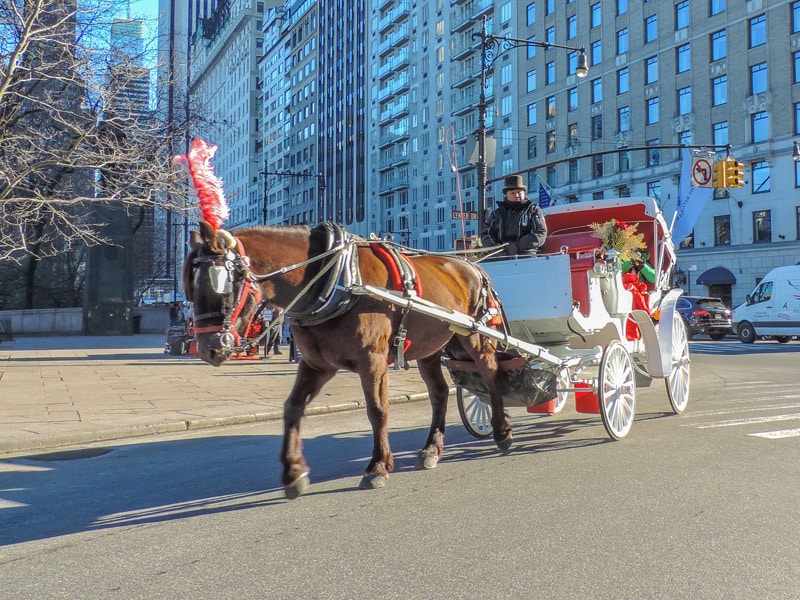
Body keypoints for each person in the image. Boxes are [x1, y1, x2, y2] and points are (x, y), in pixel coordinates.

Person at [481, 174, 547, 256]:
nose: (516, 195)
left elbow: (540, 233)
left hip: (527, 253)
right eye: (512, 193)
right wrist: (495, 249)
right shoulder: (497, 213)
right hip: (500, 254)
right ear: (506, 195)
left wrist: (517, 246)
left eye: (519, 192)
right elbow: (485, 234)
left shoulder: (534, 211)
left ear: (524, 193)